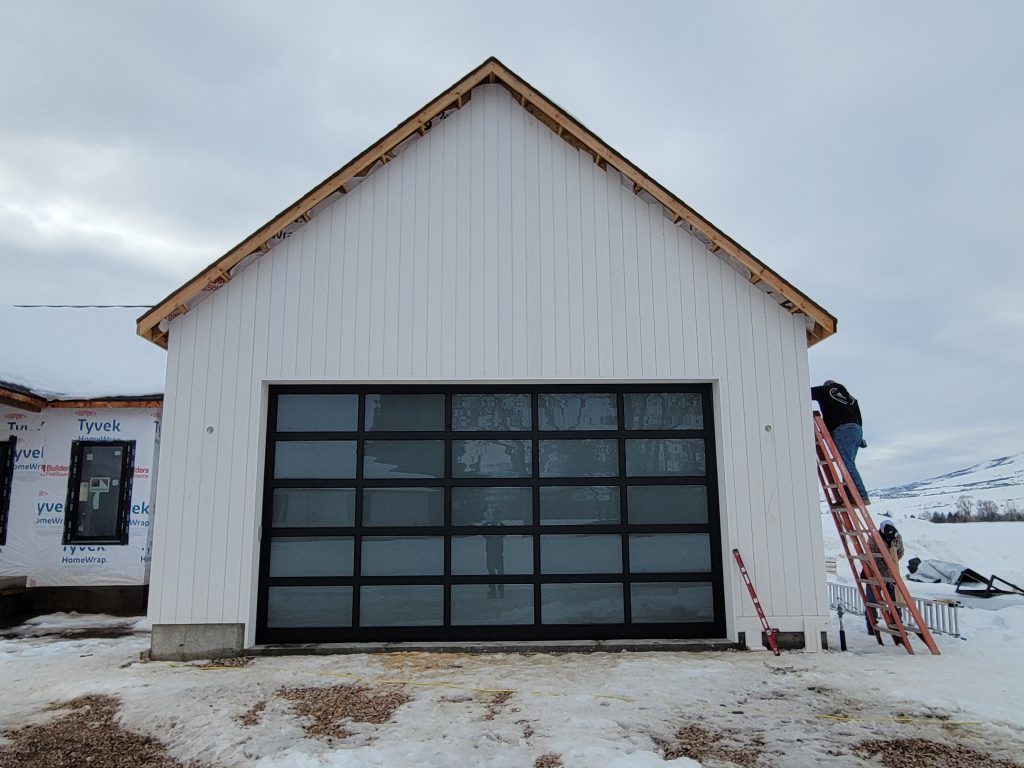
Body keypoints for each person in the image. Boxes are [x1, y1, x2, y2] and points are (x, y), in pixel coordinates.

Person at [811, 380, 870, 504]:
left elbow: (804, 392)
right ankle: (850, 496)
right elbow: (859, 419)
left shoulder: (824, 391)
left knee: (846, 465)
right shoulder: (850, 398)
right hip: (856, 431)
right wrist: (860, 439)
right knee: (848, 464)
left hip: (842, 429)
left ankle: (861, 496)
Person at [863, 520, 905, 635]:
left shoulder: (897, 537)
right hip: (874, 573)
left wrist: (893, 563)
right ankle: (872, 626)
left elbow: (900, 552)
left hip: (891, 574)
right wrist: (887, 569)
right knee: (872, 600)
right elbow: (874, 559)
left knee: (895, 600)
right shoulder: (874, 540)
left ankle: (897, 624)